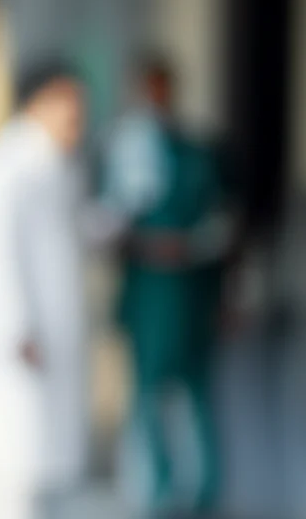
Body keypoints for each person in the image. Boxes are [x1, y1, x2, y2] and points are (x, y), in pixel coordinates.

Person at [0, 58, 89, 519]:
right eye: (69, 105)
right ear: (40, 102)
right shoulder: (2, 169)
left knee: (45, 476)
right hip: (19, 349)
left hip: (52, 344)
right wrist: (17, 329)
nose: (77, 118)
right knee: (10, 480)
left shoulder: (58, 168)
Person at [104, 52, 231, 512]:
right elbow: (107, 223)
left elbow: (225, 223)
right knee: (147, 396)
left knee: (198, 395)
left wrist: (189, 248)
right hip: (147, 294)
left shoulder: (200, 153)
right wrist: (139, 242)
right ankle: (157, 491)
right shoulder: (122, 152)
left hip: (193, 293)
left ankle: (204, 494)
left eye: (161, 90)